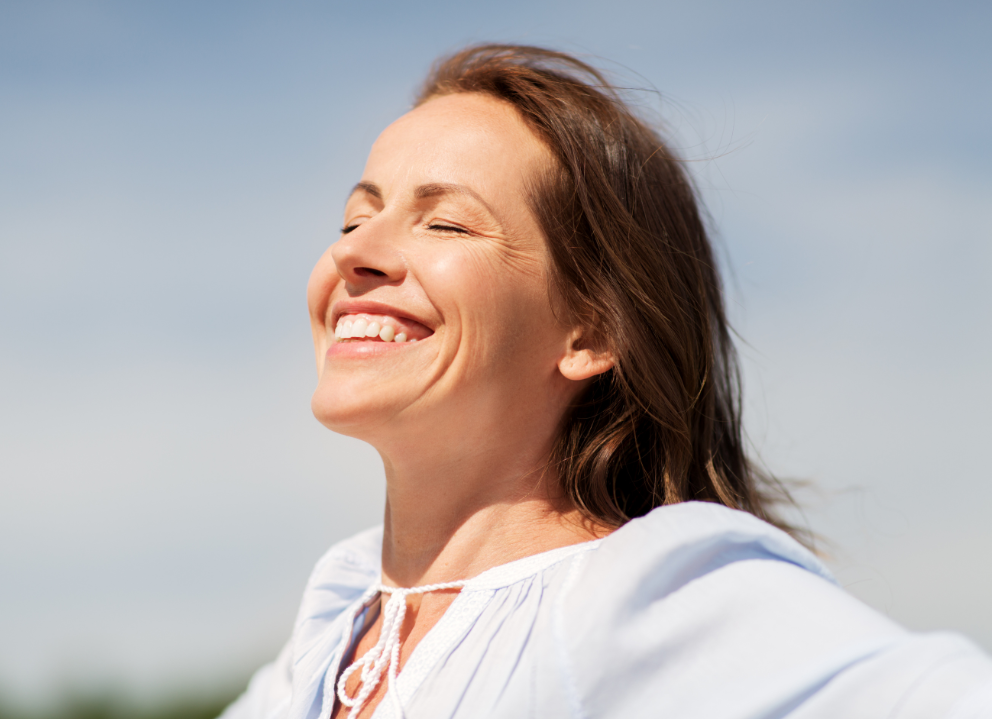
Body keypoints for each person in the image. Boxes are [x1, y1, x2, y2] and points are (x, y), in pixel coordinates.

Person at [220, 45, 992, 719]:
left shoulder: (634, 595)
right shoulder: (337, 621)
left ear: (591, 330)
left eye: (446, 223)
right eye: (357, 218)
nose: (357, 254)